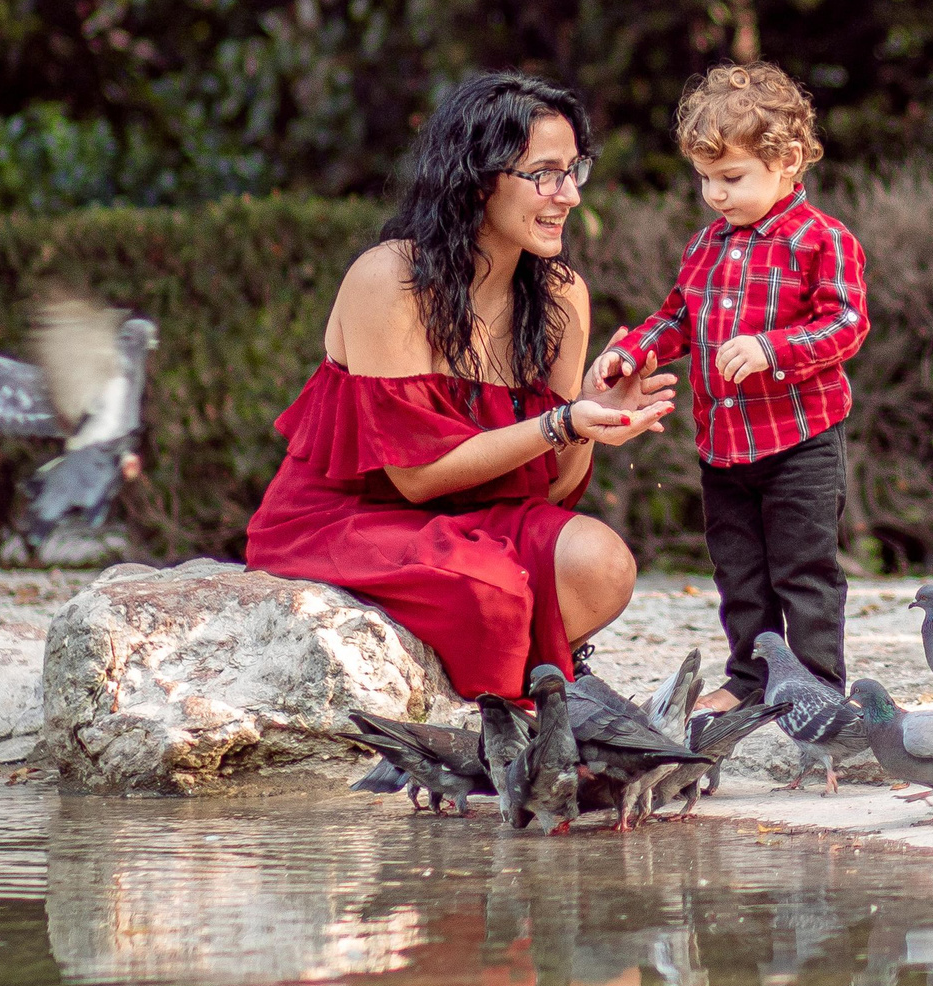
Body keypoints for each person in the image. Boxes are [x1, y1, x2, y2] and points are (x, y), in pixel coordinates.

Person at [246, 71, 674, 703]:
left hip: (479, 521)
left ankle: (522, 676)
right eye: (544, 174)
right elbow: (415, 478)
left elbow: (551, 489)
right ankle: (516, 701)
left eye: (573, 171)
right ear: (477, 180)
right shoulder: (390, 279)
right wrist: (564, 422)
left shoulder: (562, 297)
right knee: (490, 590)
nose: (569, 196)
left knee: (604, 564)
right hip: (352, 521)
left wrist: (590, 422)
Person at [593, 63, 868, 712]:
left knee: (804, 574)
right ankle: (750, 683)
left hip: (801, 444)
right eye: (705, 180)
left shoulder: (821, 241)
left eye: (731, 178)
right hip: (724, 449)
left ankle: (816, 689)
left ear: (788, 162)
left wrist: (775, 349)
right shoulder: (705, 246)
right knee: (740, 575)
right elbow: (677, 319)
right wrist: (631, 353)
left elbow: (848, 324)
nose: (715, 194)